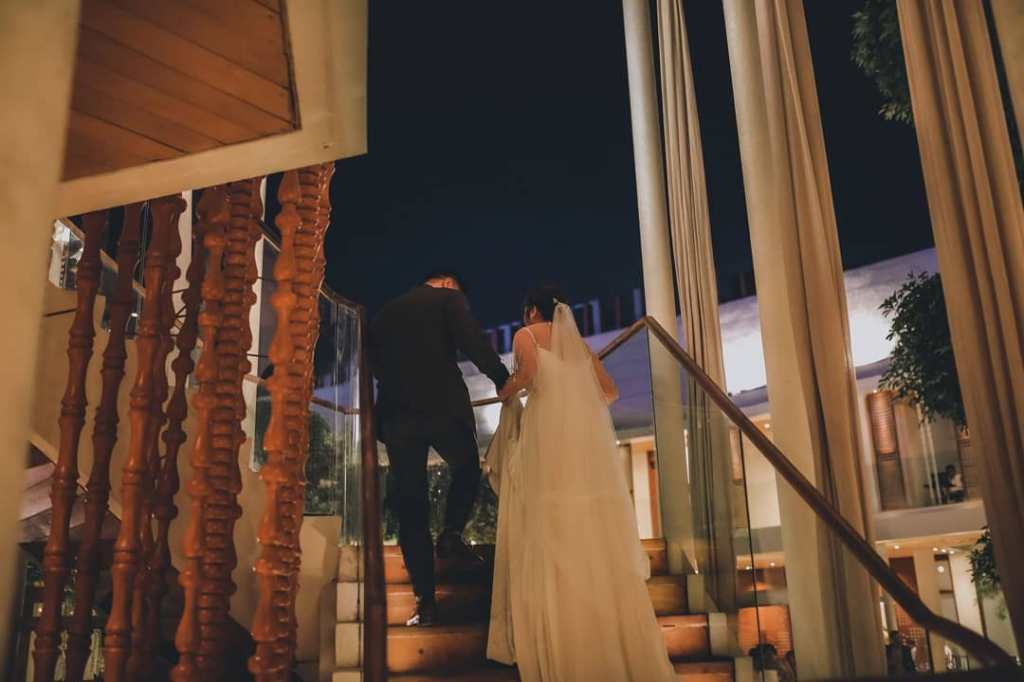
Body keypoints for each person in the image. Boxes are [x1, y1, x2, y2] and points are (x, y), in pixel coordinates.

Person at [485, 286, 676, 682]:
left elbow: (528, 376)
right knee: (583, 529)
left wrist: (506, 389)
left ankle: (558, 637)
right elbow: (610, 392)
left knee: (545, 526)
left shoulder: (526, 335)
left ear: (532, 310)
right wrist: (573, 403)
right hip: (578, 446)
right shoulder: (579, 348)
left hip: (544, 440)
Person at [369, 270, 510, 626]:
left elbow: (374, 365)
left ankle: (426, 603)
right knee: (467, 467)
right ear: (447, 283)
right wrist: (501, 378)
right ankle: (451, 533)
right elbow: (473, 341)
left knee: (412, 508)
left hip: (397, 415)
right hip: (444, 407)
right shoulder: (449, 299)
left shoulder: (384, 312)